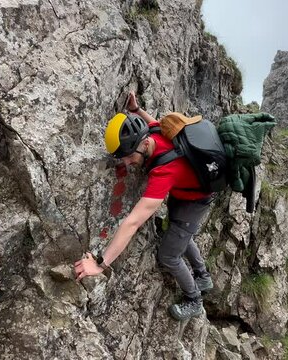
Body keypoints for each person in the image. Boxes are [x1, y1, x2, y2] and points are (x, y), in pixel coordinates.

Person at [74, 92, 214, 321]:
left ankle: (194, 299)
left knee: (169, 255)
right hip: (185, 191)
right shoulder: (157, 131)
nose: (127, 163)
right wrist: (136, 110)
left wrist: (101, 265)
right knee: (180, 234)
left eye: (129, 157)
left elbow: (133, 222)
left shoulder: (164, 172)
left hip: (195, 200)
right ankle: (202, 275)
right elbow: (151, 122)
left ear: (143, 144)